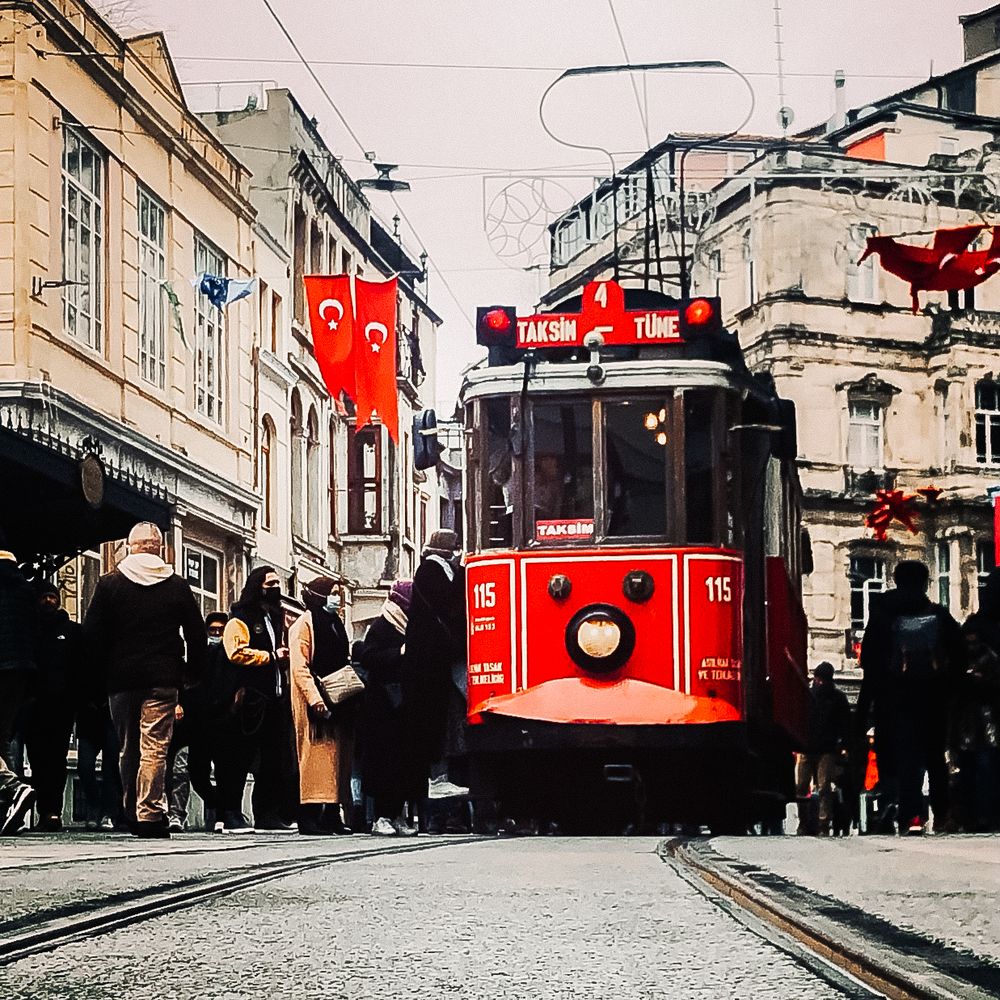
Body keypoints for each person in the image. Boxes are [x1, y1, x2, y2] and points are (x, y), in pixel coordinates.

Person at [83, 522, 206, 838]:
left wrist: (96, 680)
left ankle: (130, 811)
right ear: (160, 548)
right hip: (163, 677)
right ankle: (149, 813)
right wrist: (192, 673)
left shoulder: (110, 583)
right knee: (155, 747)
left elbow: (93, 636)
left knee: (128, 748)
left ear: (130, 546)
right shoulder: (176, 585)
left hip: (121, 678)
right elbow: (197, 633)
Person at [858, 559, 965, 835]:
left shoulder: (883, 613)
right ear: (925, 582)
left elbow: (869, 659)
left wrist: (868, 702)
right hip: (933, 696)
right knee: (934, 755)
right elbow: (960, 652)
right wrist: (948, 685)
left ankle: (909, 814)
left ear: (896, 580)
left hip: (895, 697)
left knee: (904, 754)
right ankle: (942, 814)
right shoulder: (938, 614)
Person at [220, 567, 297, 833]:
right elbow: (235, 652)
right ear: (258, 586)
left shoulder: (274, 618)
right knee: (240, 757)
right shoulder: (240, 618)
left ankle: (267, 813)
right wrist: (270, 657)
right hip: (250, 699)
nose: (275, 588)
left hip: (274, 697)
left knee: (272, 760)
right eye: (270, 583)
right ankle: (230, 813)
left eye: (277, 583)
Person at [403, 530, 468, 826]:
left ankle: (439, 779)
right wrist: (464, 575)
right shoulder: (432, 570)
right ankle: (436, 778)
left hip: (433, 660)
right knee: (435, 719)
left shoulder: (433, 570)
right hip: (431, 661)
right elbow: (449, 604)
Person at [288, 577, 355, 835]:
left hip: (338, 700)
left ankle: (331, 813)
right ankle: (309, 813)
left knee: (337, 759)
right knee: (315, 758)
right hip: (314, 702)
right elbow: (300, 667)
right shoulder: (304, 624)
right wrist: (315, 698)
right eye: (333, 593)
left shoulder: (335, 622)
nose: (337, 598)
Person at [22, 581, 85, 831]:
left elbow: (81, 666)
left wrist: (77, 698)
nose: (49, 601)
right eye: (44, 597)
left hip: (62, 706)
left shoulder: (72, 631)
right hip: (33, 705)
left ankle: (53, 812)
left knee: (57, 759)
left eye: (52, 596)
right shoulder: (29, 630)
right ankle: (42, 810)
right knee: (37, 759)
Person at [360, 581, 419, 836]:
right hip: (382, 704)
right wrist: (399, 652)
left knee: (403, 762)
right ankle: (381, 816)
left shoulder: (410, 626)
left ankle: (397, 815)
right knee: (383, 762)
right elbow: (367, 657)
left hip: (403, 704)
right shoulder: (382, 626)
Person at [165, 612, 228, 832]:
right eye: (213, 630)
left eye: (220, 630)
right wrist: (178, 703)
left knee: (201, 773)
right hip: (188, 721)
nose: (216, 634)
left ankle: (218, 809)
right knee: (181, 770)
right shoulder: (196, 657)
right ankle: (175, 814)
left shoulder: (227, 658)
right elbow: (181, 680)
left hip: (213, 722)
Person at [953, 567, 1000, 831]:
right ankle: (982, 813)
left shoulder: (973, 626)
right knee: (984, 759)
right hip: (982, 708)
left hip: (974, 708)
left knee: (977, 761)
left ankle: (976, 814)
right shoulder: (978, 628)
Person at [0, 545, 38, 835]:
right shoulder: (26, 589)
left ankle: (12, 788)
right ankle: (6, 810)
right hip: (20, 673)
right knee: (1, 738)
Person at [795, 661, 850, 836]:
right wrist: (843, 745)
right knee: (823, 786)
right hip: (825, 747)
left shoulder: (807, 695)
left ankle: (806, 823)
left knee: (803, 787)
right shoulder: (838, 698)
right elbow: (845, 724)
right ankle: (822, 823)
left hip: (810, 746)